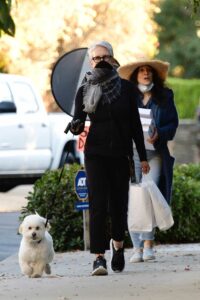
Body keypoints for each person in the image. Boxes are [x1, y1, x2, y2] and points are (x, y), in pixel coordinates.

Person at [70, 41, 150, 276]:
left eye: (105, 57)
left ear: (113, 59)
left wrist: (142, 157)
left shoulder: (125, 88)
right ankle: (98, 258)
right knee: (97, 205)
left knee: (118, 205)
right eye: (96, 58)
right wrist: (75, 126)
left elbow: (135, 125)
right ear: (90, 61)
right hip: (95, 152)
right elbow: (78, 119)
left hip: (120, 153)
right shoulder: (85, 88)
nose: (101, 61)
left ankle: (118, 246)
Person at [118, 58, 179, 263]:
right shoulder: (127, 97)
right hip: (131, 155)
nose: (146, 73)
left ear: (153, 75)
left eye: (149, 71)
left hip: (154, 155)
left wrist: (159, 133)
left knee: (148, 196)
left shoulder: (165, 96)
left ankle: (148, 244)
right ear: (136, 76)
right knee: (133, 199)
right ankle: (136, 248)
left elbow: (172, 124)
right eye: (142, 71)